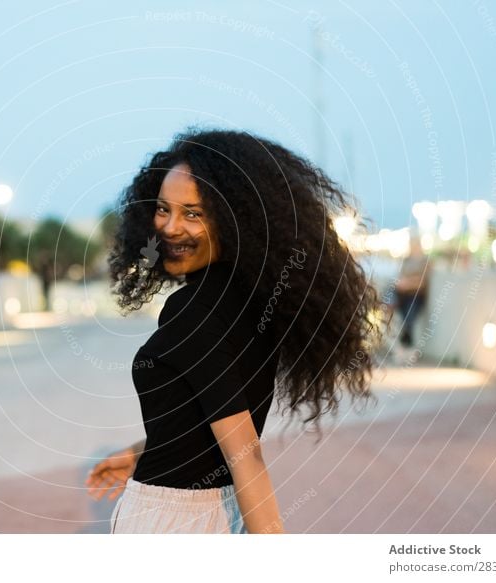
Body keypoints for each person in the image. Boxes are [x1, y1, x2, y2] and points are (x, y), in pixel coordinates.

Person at [87, 128, 381, 534]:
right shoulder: (255, 299)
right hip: (214, 513)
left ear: (233, 218)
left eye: (193, 213)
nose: (170, 228)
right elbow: (204, 418)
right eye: (163, 209)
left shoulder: (196, 310)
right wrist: (142, 453)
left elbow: (246, 456)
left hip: (173, 522)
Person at [392, 234, 430, 354]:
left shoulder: (425, 260)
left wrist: (407, 282)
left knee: (409, 318)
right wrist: (406, 282)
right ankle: (407, 345)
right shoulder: (406, 260)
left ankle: (406, 344)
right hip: (402, 295)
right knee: (405, 318)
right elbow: (400, 278)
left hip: (415, 295)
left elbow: (422, 282)